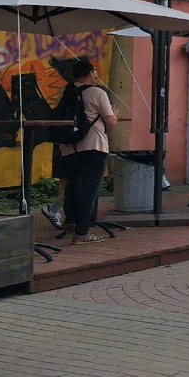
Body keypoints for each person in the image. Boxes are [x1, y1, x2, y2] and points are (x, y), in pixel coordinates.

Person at [57, 61, 118, 245]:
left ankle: (71, 222)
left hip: (69, 146)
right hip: (94, 146)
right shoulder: (98, 92)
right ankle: (83, 233)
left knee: (73, 186)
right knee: (89, 189)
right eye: (94, 71)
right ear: (90, 73)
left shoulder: (63, 91)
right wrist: (115, 112)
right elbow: (110, 120)